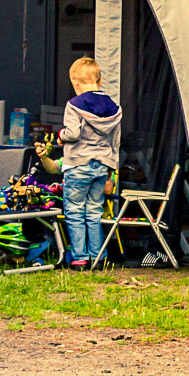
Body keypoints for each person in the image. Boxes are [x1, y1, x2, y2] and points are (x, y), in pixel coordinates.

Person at [58, 57, 121, 270]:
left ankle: (80, 258)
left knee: (75, 212)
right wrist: (112, 171)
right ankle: (98, 257)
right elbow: (116, 142)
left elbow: (73, 133)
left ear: (75, 83)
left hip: (78, 164)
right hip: (101, 165)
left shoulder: (74, 105)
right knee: (94, 212)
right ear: (100, 80)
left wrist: (61, 135)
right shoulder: (114, 108)